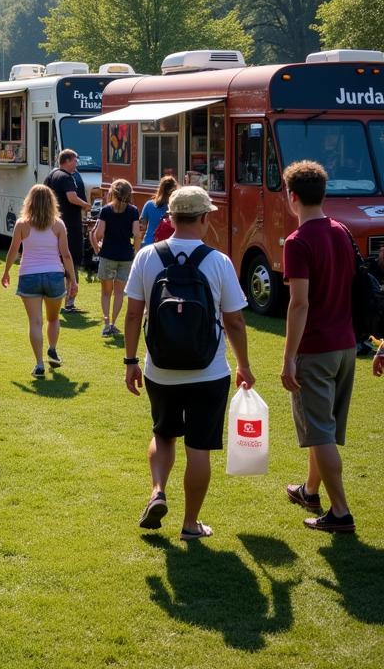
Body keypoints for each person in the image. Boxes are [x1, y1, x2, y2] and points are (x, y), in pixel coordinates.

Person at [122, 186, 254, 541]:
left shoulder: (147, 257)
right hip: (208, 370)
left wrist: (131, 360)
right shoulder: (218, 261)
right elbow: (235, 321)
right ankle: (190, 524)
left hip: (160, 368)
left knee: (163, 434)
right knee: (199, 447)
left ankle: (157, 491)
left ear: (170, 217)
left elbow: (134, 314)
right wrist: (243, 364)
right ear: (204, 218)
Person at [279, 160, 358, 533]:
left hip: (317, 348)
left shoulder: (297, 241)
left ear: (292, 197)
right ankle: (310, 491)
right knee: (320, 427)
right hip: (345, 345)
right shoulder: (342, 231)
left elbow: (299, 304)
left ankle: (340, 511)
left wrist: (288, 358)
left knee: (320, 432)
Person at [1, 185, 78, 377]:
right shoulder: (58, 224)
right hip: (54, 275)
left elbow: (13, 251)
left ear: (30, 202)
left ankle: (39, 364)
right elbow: (66, 255)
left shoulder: (22, 224)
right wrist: (73, 280)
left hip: (29, 275)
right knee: (53, 318)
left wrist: (6, 272)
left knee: (35, 322)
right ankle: (52, 349)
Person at [90, 179, 141, 338]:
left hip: (108, 254)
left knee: (106, 293)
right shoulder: (133, 211)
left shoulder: (106, 210)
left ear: (113, 192)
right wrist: (135, 252)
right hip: (125, 255)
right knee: (119, 292)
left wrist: (97, 248)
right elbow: (137, 234)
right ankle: (113, 323)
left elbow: (98, 234)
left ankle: (106, 325)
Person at [44, 150, 90, 312]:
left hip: (52, 226)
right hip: (70, 226)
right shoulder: (66, 177)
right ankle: (70, 303)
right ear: (68, 161)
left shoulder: (51, 176)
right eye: (75, 161)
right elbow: (72, 197)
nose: (77, 164)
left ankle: (54, 299)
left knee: (55, 263)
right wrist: (85, 205)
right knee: (72, 263)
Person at [140, 175, 178, 247]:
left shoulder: (149, 204)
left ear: (160, 189)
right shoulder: (176, 208)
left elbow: (142, 227)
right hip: (168, 246)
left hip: (149, 243)